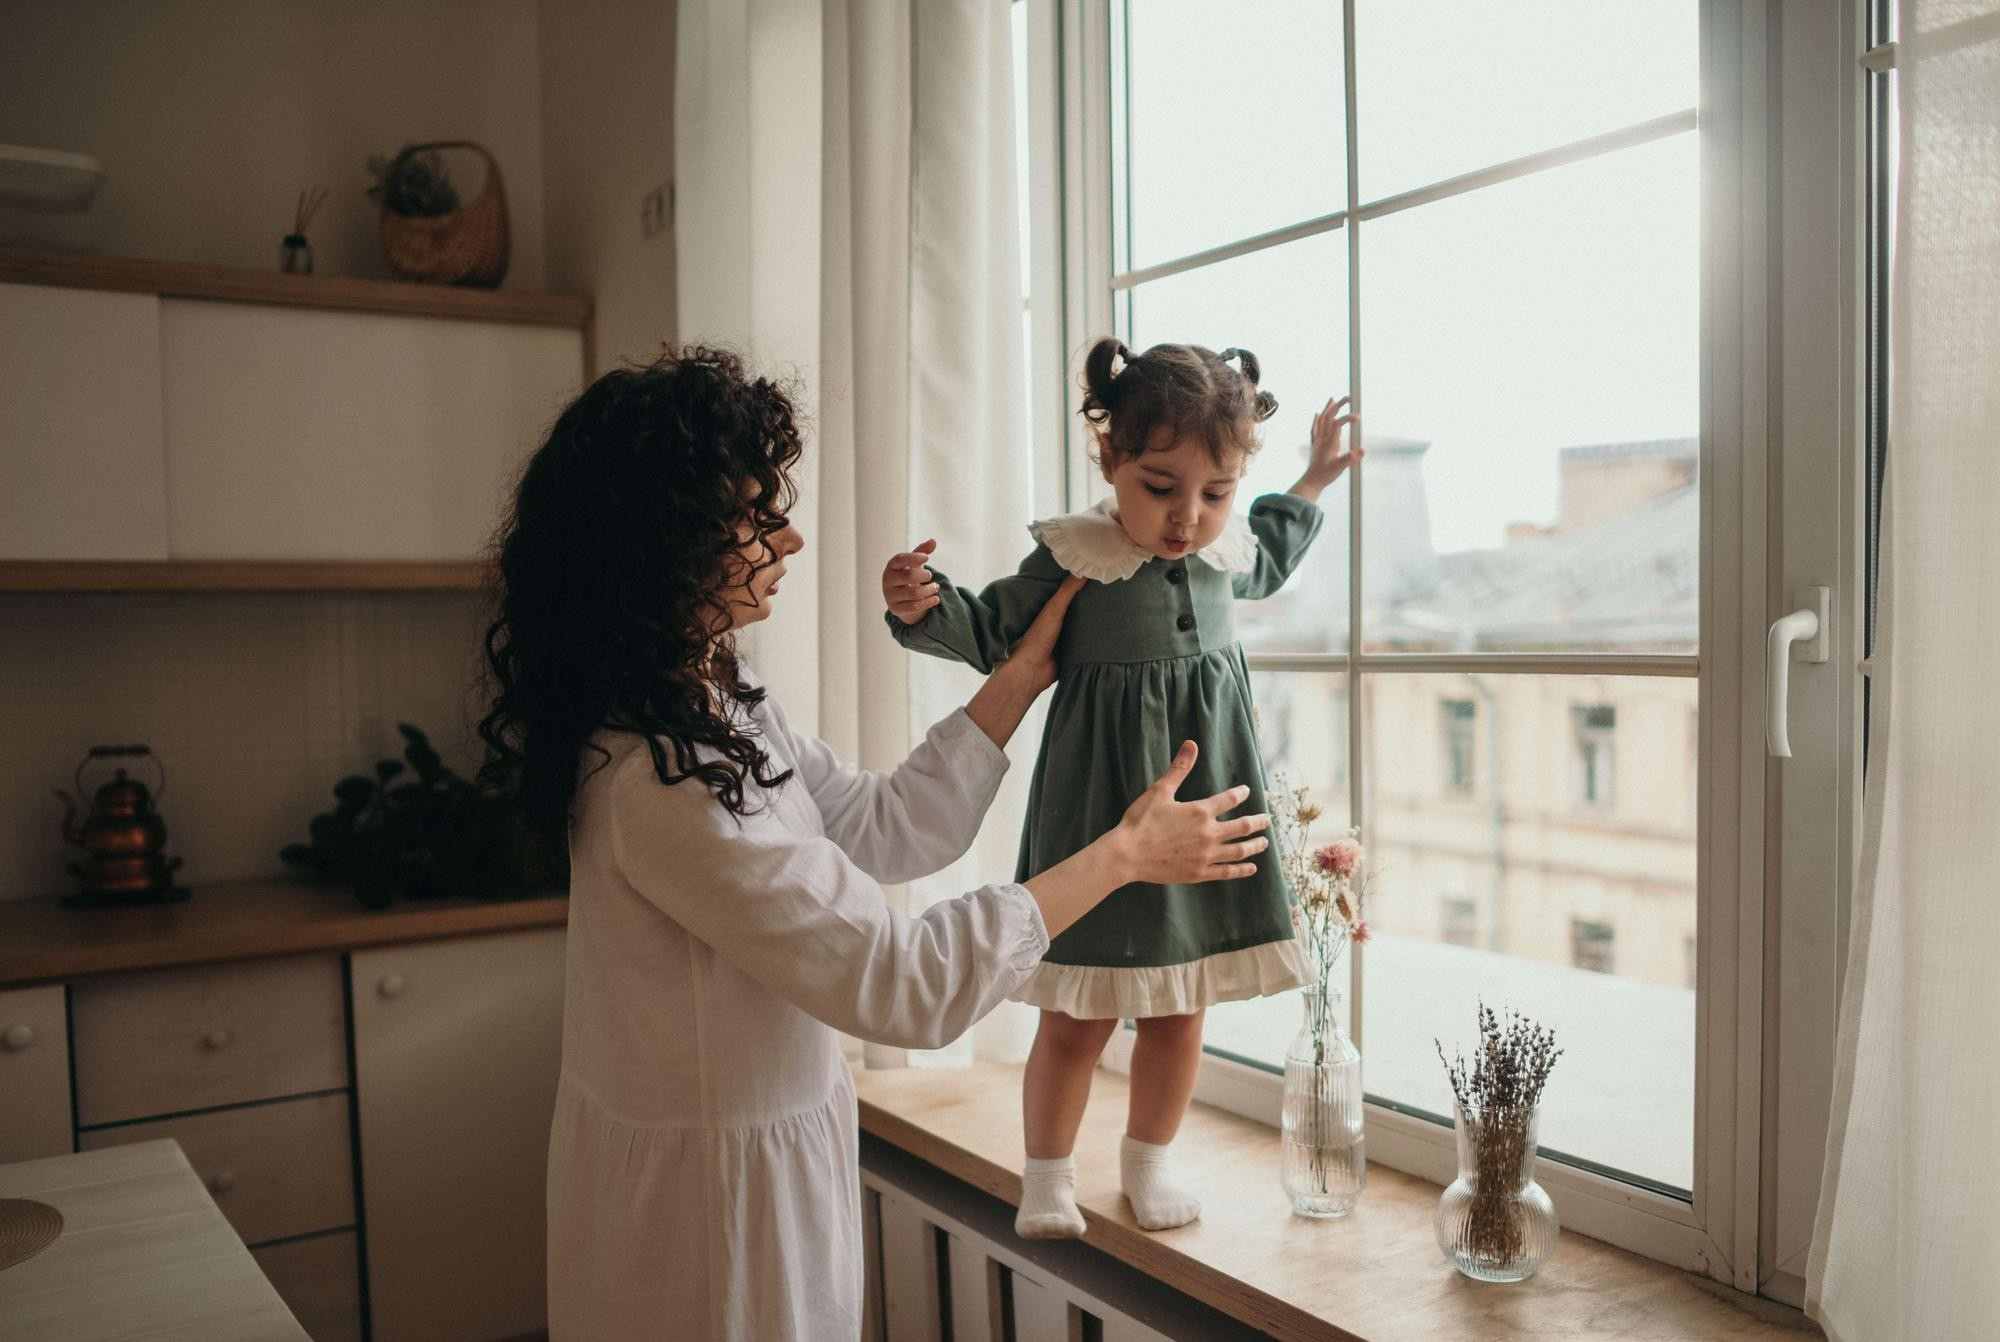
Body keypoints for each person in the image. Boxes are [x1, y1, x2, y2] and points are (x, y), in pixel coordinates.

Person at [477, 345, 1272, 1340]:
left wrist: (1021, 676)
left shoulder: (714, 705)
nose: (792, 538)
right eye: (756, 516)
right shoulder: (655, 775)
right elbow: (898, 985)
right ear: (665, 541)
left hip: (767, 1163)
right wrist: (1120, 855)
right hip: (707, 1209)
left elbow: (883, 827)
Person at [881, 338, 1361, 1239]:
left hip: (1205, 813)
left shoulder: (1226, 556)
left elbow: (1276, 549)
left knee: (1184, 1007)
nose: (1188, 516)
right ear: (1110, 460)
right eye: (1160, 486)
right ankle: (1048, 1176)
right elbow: (993, 630)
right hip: (1097, 819)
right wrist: (922, 602)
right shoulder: (1077, 556)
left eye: (1214, 494)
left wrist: (1315, 478)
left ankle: (1149, 1162)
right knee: (1076, 1014)